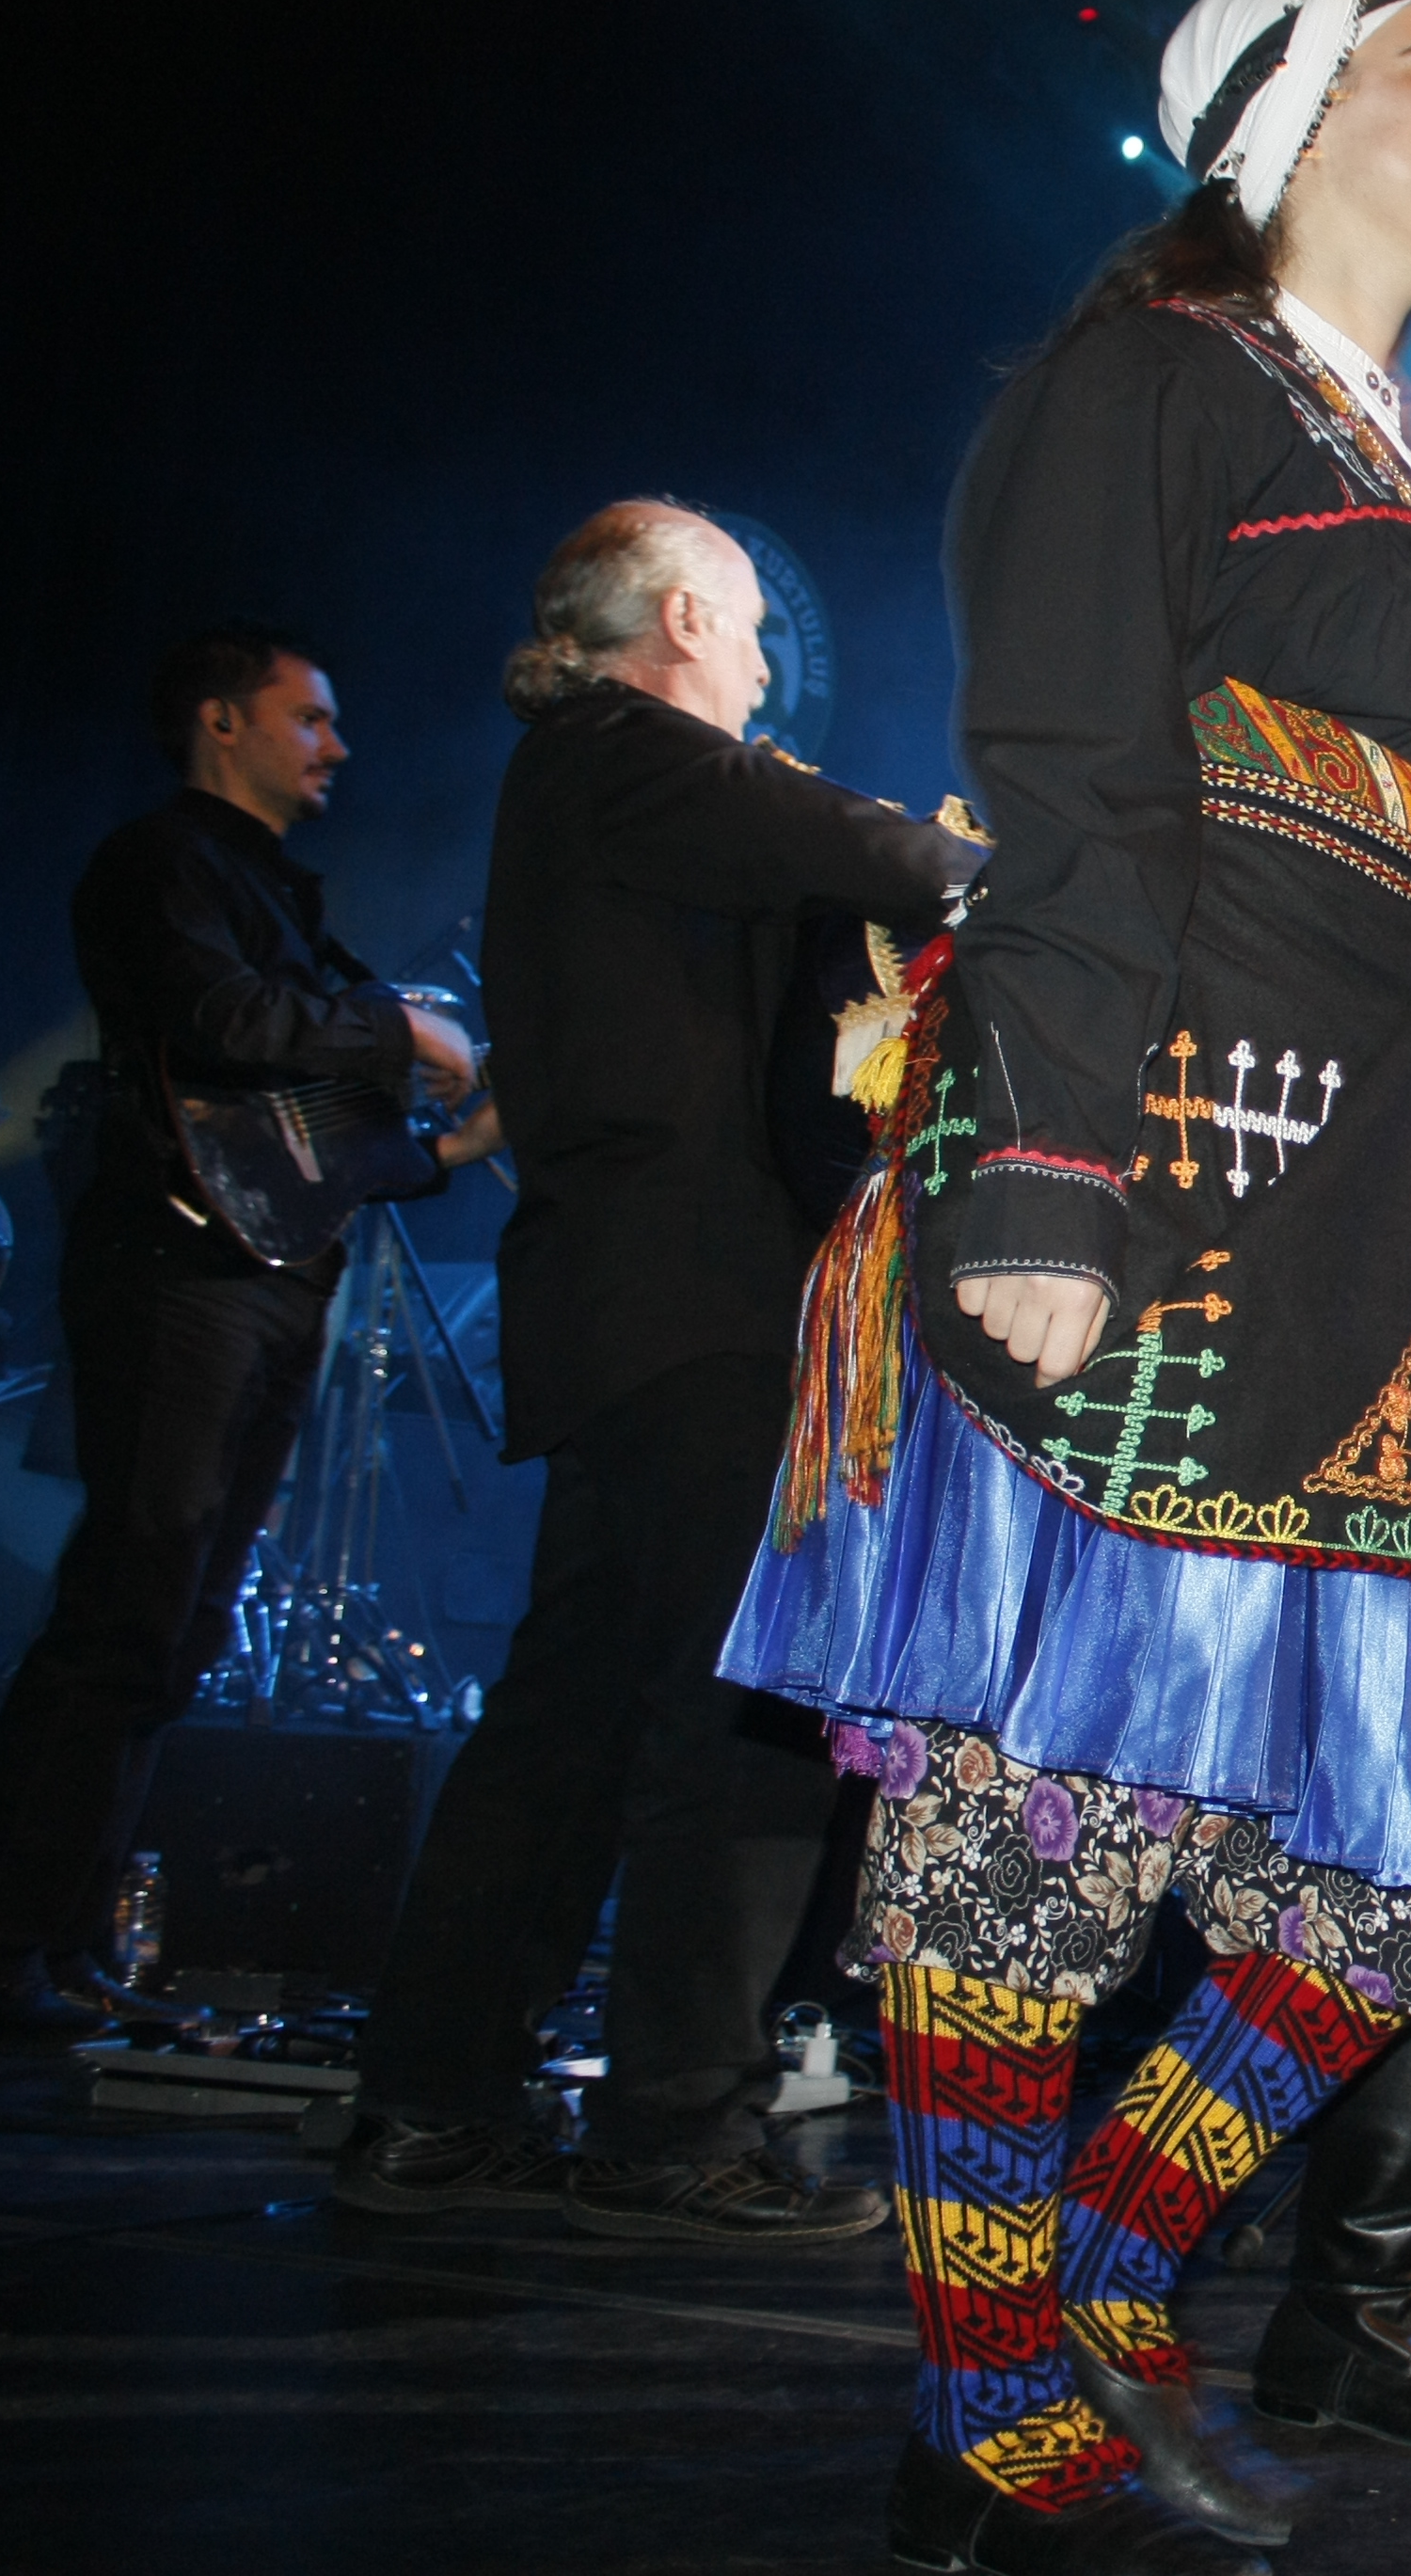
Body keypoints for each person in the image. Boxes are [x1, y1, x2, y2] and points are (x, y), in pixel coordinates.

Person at [720, 0, 1411, 2569]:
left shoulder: (1368, 444)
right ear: (1281, 115)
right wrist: (1040, 1168)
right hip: (1162, 1160)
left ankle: (1104, 2287)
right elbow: (1070, 775)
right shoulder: (1146, 380)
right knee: (1049, 1815)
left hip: (1367, 1211)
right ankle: (985, 2411)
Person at [337, 503, 976, 2238]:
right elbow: (880, 855)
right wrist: (988, 869)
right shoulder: (627, 752)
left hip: (629, 1306)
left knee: (576, 1716)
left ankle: (433, 2097)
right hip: (691, 1307)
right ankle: (678, 2118)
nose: (766, 666)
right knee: (741, 1714)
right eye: (750, 627)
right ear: (684, 616)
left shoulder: (599, 784)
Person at [0, 628, 492, 2041]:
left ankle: (62, 1940)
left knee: (182, 1616)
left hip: (269, 1271)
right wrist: (400, 1031)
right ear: (219, 721)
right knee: (129, 1603)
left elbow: (292, 1136)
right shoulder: (161, 864)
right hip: (176, 1273)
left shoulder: (281, 894)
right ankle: (0, 1939)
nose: (335, 746)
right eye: (307, 717)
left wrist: (445, 1148)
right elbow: (225, 1022)